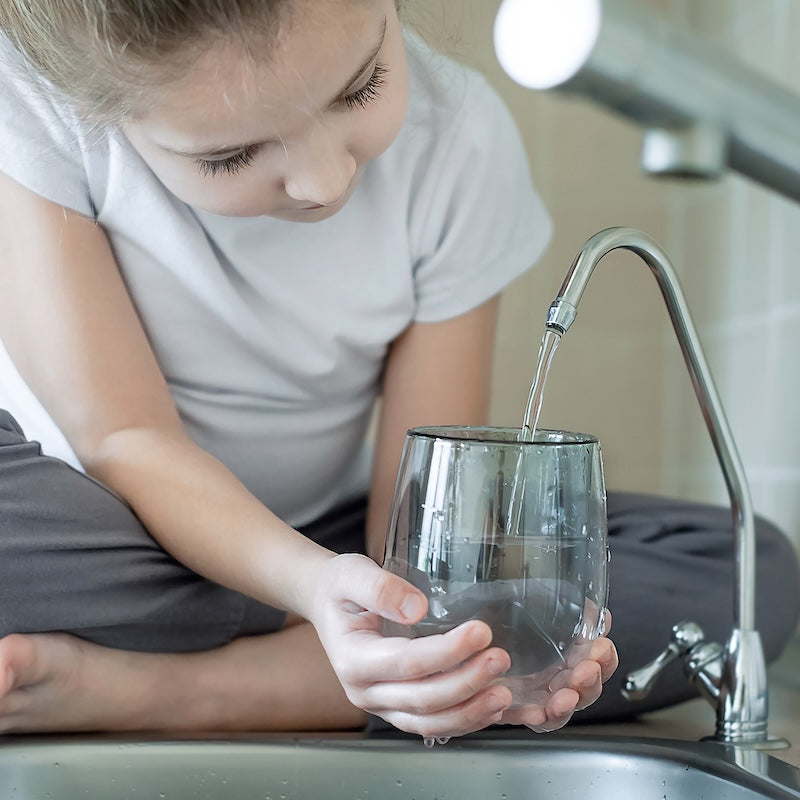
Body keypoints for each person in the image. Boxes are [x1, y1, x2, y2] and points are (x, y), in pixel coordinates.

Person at [0, 0, 796, 739]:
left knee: (739, 569)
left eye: (362, 86)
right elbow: (128, 438)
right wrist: (318, 591)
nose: (326, 182)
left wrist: (394, 607)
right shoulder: (34, 106)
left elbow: (422, 526)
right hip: (107, 530)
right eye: (233, 154)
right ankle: (337, 672)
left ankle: (155, 691)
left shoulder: (459, 137)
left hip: (339, 543)